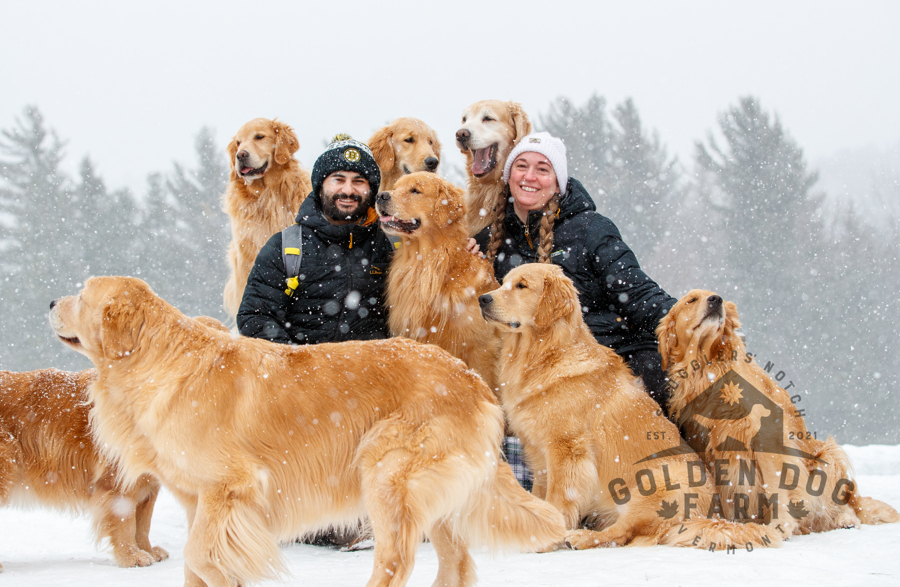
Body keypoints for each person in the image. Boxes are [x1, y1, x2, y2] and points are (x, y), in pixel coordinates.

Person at [474, 132, 676, 411]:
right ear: (509, 176)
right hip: (539, 368)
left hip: (609, 357)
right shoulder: (493, 240)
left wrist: (688, 322)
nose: (529, 177)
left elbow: (638, 293)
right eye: (521, 166)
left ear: (558, 183)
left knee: (661, 375)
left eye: (543, 170)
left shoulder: (590, 230)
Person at [237, 134, 394, 346]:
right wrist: (299, 364)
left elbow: (414, 320)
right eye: (338, 180)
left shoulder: (391, 247)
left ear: (371, 189)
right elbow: (255, 317)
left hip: (374, 376)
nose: (348, 190)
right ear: (320, 186)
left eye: (358, 181)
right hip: (301, 375)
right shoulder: (286, 247)